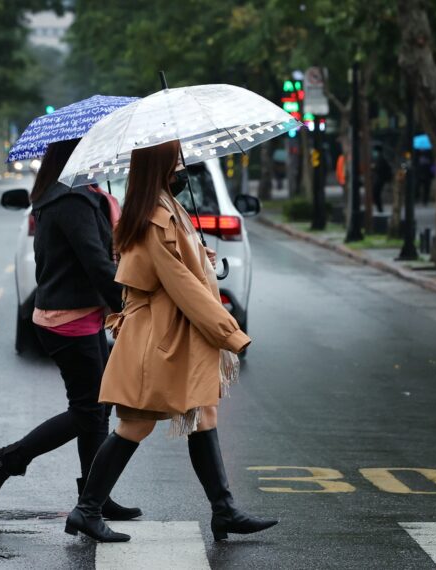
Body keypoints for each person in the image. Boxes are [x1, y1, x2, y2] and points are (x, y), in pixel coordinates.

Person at [63, 140, 278, 543]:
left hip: (173, 332)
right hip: (158, 337)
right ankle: (86, 510)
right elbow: (180, 284)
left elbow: (178, 267)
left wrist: (199, 255)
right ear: (159, 165)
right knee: (135, 424)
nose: (182, 166)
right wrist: (229, 332)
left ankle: (223, 510)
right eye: (175, 159)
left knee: (203, 414)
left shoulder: (162, 207)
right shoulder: (155, 216)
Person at [0, 138, 141, 522]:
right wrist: (127, 305)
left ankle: (94, 496)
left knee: (97, 407)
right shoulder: (70, 200)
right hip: (67, 318)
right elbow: (95, 262)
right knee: (89, 410)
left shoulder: (78, 194)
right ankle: (5, 460)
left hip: (80, 313)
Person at [371, 147, 392, 213]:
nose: (374, 153)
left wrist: (374, 167)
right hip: (380, 179)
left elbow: (379, 169)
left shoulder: (381, 159)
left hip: (380, 179)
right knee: (376, 193)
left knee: (376, 193)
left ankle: (380, 209)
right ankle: (379, 209)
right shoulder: (380, 159)